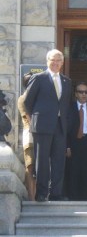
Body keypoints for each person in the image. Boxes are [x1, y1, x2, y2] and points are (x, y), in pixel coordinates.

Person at [24, 49, 72, 202]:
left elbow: (67, 105)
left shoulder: (67, 81)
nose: (56, 63)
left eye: (59, 60)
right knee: (42, 160)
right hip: (43, 126)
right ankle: (42, 193)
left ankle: (56, 193)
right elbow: (27, 102)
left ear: (62, 63)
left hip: (60, 126)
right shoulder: (39, 78)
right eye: (53, 60)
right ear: (47, 61)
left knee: (59, 160)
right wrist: (37, 118)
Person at [66, 82, 87, 201]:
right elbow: (65, 129)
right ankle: (73, 197)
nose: (84, 94)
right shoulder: (69, 108)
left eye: (86, 92)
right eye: (81, 92)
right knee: (73, 170)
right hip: (74, 141)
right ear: (76, 94)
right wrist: (67, 146)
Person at [17, 72, 36, 201]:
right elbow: (29, 119)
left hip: (40, 135)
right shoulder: (23, 98)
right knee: (30, 165)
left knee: (39, 166)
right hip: (30, 135)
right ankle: (31, 196)